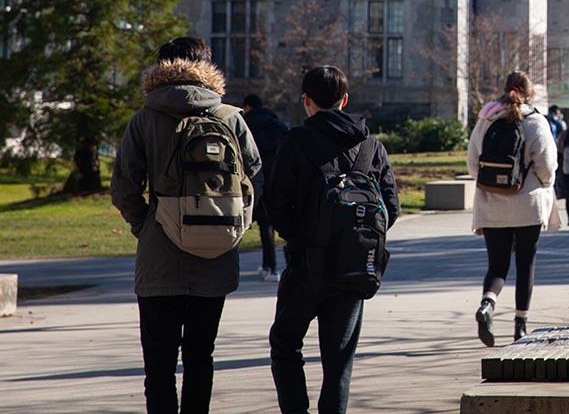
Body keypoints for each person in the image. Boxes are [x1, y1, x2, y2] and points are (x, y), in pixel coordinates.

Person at [111, 36, 262, 414]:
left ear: (161, 68)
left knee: (159, 366)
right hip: (217, 253)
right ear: (207, 68)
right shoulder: (230, 117)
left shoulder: (144, 119)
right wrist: (236, 221)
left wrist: (146, 224)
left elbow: (124, 188)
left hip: (159, 256)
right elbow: (255, 176)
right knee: (200, 358)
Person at [266, 65, 400, 414]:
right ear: (345, 99)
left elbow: (276, 205)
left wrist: (300, 234)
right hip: (356, 267)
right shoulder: (372, 148)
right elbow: (391, 209)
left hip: (306, 265)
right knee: (339, 360)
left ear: (306, 100)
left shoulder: (295, 141)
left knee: (285, 343)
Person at [469, 71, 558, 345]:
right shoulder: (536, 122)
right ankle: (520, 325)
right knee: (525, 264)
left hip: (491, 204)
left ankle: (487, 305)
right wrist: (543, 183)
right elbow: (547, 166)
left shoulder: (486, 119)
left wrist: (490, 184)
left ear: (504, 89)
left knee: (497, 265)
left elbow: (473, 162)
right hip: (527, 205)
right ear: (529, 93)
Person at [242, 93, 289, 282]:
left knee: (262, 225)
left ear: (248, 107)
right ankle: (275, 267)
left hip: (256, 180)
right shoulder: (276, 123)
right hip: (278, 179)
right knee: (277, 224)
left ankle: (269, 266)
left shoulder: (246, 124)